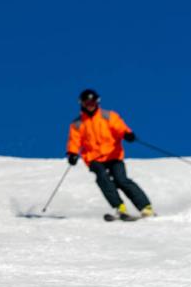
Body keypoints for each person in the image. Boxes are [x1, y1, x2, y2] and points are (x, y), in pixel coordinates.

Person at [66, 89, 154, 219]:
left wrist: (126, 134)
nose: (90, 105)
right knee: (102, 177)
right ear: (82, 103)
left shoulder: (108, 116)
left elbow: (119, 127)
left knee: (121, 180)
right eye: (87, 102)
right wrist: (72, 153)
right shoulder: (77, 124)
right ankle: (120, 207)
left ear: (97, 102)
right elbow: (74, 140)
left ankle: (145, 207)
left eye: (93, 102)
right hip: (94, 158)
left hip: (113, 154)